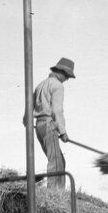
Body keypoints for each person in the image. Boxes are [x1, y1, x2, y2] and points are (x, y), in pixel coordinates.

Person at [29, 57, 75, 188]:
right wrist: (63, 131)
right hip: (49, 124)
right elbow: (57, 110)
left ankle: (58, 191)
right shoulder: (57, 86)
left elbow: (29, 106)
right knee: (55, 161)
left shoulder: (40, 85)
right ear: (61, 72)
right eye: (67, 76)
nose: (67, 79)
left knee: (59, 159)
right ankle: (54, 192)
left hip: (39, 125)